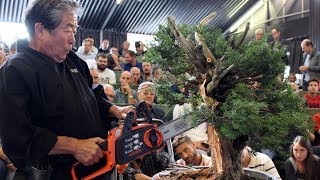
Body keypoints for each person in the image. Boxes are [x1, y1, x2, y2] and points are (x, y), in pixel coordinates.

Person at [0, 0, 116, 179]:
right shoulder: (14, 70)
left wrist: (117, 110)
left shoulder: (74, 61)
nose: (72, 39)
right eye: (68, 30)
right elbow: (17, 137)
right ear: (40, 30)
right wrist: (75, 146)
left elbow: (93, 96)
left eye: (75, 31)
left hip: (96, 167)